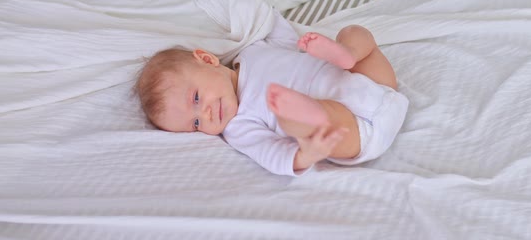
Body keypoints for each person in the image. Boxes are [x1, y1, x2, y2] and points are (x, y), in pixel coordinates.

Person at [136, 12, 408, 176]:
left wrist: (261, 14)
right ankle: (309, 116)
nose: (205, 114)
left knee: (354, 33)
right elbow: (269, 153)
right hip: (351, 132)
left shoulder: (255, 50)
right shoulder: (238, 127)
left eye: (196, 99)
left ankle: (346, 54)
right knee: (302, 117)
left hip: (373, 85)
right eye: (195, 124)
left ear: (207, 59)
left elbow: (277, 27)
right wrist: (305, 155)